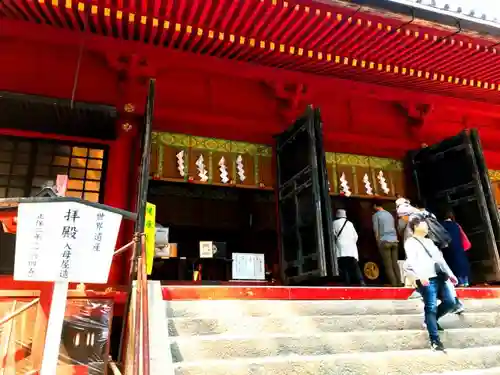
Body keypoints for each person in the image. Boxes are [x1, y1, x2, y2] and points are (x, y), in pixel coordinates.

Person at [404, 216, 457, 351]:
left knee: (451, 302)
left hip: (439, 276)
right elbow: (412, 261)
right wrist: (419, 276)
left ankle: (430, 321)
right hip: (426, 278)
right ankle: (435, 340)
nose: (427, 227)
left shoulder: (429, 242)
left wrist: (450, 274)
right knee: (431, 307)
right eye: (424, 225)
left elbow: (440, 259)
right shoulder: (410, 242)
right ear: (415, 226)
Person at [333, 209, 365, 286]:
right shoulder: (350, 223)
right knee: (354, 265)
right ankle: (361, 281)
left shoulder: (334, 223)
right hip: (351, 247)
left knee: (344, 265)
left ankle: (347, 282)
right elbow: (356, 236)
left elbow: (333, 234)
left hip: (341, 246)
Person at [372, 201, 401, 286]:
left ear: (375, 206)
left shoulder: (376, 215)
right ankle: (399, 282)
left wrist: (378, 242)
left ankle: (394, 284)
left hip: (384, 241)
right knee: (395, 263)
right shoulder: (389, 214)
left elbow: (376, 230)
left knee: (388, 265)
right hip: (394, 240)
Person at [441, 212, 471, 287]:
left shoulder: (442, 225)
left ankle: (459, 281)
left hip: (449, 248)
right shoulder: (456, 225)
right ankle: (465, 281)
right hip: (459, 247)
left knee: (453, 265)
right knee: (462, 264)